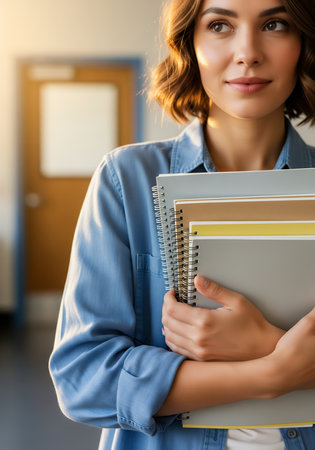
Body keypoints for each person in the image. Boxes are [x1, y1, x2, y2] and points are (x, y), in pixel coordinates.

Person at [49, 0, 315, 448]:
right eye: (219, 25)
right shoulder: (126, 179)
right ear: (190, 45)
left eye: (274, 24)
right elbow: (84, 380)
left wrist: (263, 342)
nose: (248, 52)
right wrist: (270, 373)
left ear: (304, 43)